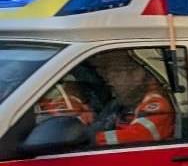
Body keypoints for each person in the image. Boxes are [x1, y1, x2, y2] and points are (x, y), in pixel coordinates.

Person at [39, 52, 178, 147]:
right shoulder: (120, 103)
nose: (110, 80)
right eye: (109, 73)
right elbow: (97, 123)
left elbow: (140, 135)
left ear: (138, 74)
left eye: (117, 72)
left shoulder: (155, 103)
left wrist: (91, 138)